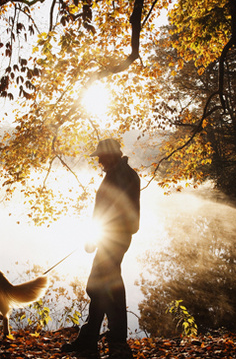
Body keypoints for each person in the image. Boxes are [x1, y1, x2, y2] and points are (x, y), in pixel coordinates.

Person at [62, 138, 140, 358]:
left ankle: (104, 339)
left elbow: (115, 209)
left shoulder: (122, 175)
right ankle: (104, 338)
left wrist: (96, 235)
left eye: (101, 157)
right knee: (107, 287)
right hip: (112, 237)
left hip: (114, 238)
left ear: (110, 155)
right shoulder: (119, 173)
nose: (98, 162)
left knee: (98, 286)